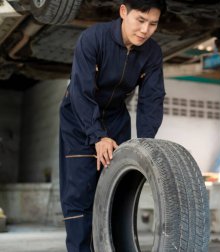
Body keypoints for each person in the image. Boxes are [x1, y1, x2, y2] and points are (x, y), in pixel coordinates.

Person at [59, 0, 166, 251]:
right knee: (80, 194)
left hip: (116, 118)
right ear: (123, 12)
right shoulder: (93, 39)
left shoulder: (152, 53)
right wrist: (97, 135)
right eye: (140, 20)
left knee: (117, 190)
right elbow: (81, 91)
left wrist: (146, 143)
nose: (145, 30)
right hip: (78, 117)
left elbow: (152, 98)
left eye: (153, 24)